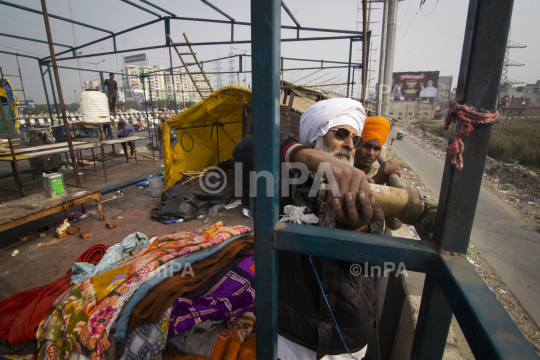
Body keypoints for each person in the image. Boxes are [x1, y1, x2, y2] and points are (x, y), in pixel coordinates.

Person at [233, 98, 386, 360]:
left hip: (347, 338)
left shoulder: (364, 192)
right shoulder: (283, 184)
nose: (350, 144)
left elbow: (372, 268)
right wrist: (307, 156)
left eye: (355, 140)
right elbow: (244, 151)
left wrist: (354, 232)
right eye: (341, 134)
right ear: (316, 138)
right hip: (293, 336)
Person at [355, 116, 402, 231]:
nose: (371, 153)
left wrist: (392, 189)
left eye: (376, 149)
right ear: (355, 143)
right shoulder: (344, 168)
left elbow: (395, 224)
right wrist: (376, 182)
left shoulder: (377, 172)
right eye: (366, 145)